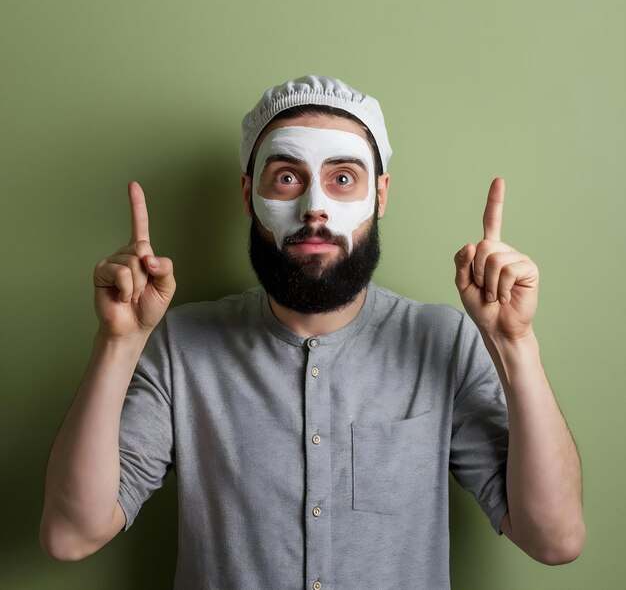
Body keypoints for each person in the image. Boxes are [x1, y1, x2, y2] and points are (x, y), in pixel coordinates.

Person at [40, 75, 585, 589]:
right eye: (287, 178)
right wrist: (117, 344)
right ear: (248, 194)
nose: (314, 209)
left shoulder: (442, 341)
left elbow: (555, 538)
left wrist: (515, 345)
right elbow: (71, 535)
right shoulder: (182, 346)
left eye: (342, 178)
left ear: (381, 194)